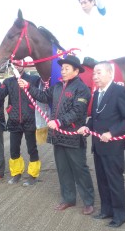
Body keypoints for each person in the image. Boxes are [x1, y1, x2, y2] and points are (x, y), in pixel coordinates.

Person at [18, 55, 95, 215]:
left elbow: (77, 111)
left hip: (73, 136)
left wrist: (59, 122)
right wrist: (28, 86)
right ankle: (68, 199)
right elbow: (44, 97)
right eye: (62, 68)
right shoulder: (58, 86)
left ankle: (88, 201)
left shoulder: (83, 89)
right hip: (58, 136)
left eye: (67, 68)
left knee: (80, 169)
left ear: (76, 71)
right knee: (63, 169)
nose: (63, 71)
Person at [78, 61, 125, 227]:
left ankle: (120, 215)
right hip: (98, 145)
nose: (95, 77)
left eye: (99, 73)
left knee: (114, 180)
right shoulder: (96, 94)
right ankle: (106, 210)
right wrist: (86, 127)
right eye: (94, 73)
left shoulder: (119, 91)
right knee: (102, 180)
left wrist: (112, 132)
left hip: (113, 146)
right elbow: (95, 119)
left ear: (110, 74)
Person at [0, 65, 42, 186]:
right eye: (15, 64)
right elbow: (0, 96)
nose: (17, 66)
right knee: (14, 149)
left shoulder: (33, 79)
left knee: (32, 148)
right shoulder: (8, 81)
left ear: (23, 64)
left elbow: (40, 92)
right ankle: (16, 173)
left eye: (19, 63)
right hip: (14, 119)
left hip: (29, 119)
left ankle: (33, 175)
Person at [76, 0, 107, 66]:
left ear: (93, 2)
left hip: (103, 58)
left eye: (85, 2)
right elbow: (79, 42)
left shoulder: (100, 11)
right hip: (88, 59)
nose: (83, 6)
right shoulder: (81, 22)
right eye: (81, 3)